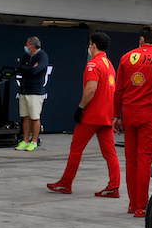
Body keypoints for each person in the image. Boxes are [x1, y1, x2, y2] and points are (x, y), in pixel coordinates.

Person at [113, 25, 152, 217]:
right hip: (149, 114)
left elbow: (118, 90)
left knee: (130, 159)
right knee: (144, 160)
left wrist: (116, 116)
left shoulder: (126, 57)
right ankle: (141, 206)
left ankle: (133, 204)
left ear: (141, 40)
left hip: (129, 113)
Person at [47, 32, 120, 196]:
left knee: (76, 148)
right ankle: (114, 186)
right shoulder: (109, 64)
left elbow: (90, 89)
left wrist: (80, 108)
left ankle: (65, 183)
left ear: (93, 45)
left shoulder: (93, 65)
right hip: (106, 117)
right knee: (110, 153)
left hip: (92, 115)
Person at [15, 36, 50, 151]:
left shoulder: (42, 56)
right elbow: (19, 68)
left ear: (32, 46)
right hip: (24, 91)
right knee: (25, 117)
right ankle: (25, 140)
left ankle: (34, 141)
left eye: (27, 44)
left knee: (35, 117)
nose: (25, 47)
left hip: (35, 92)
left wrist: (27, 69)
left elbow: (36, 70)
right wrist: (29, 68)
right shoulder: (26, 56)